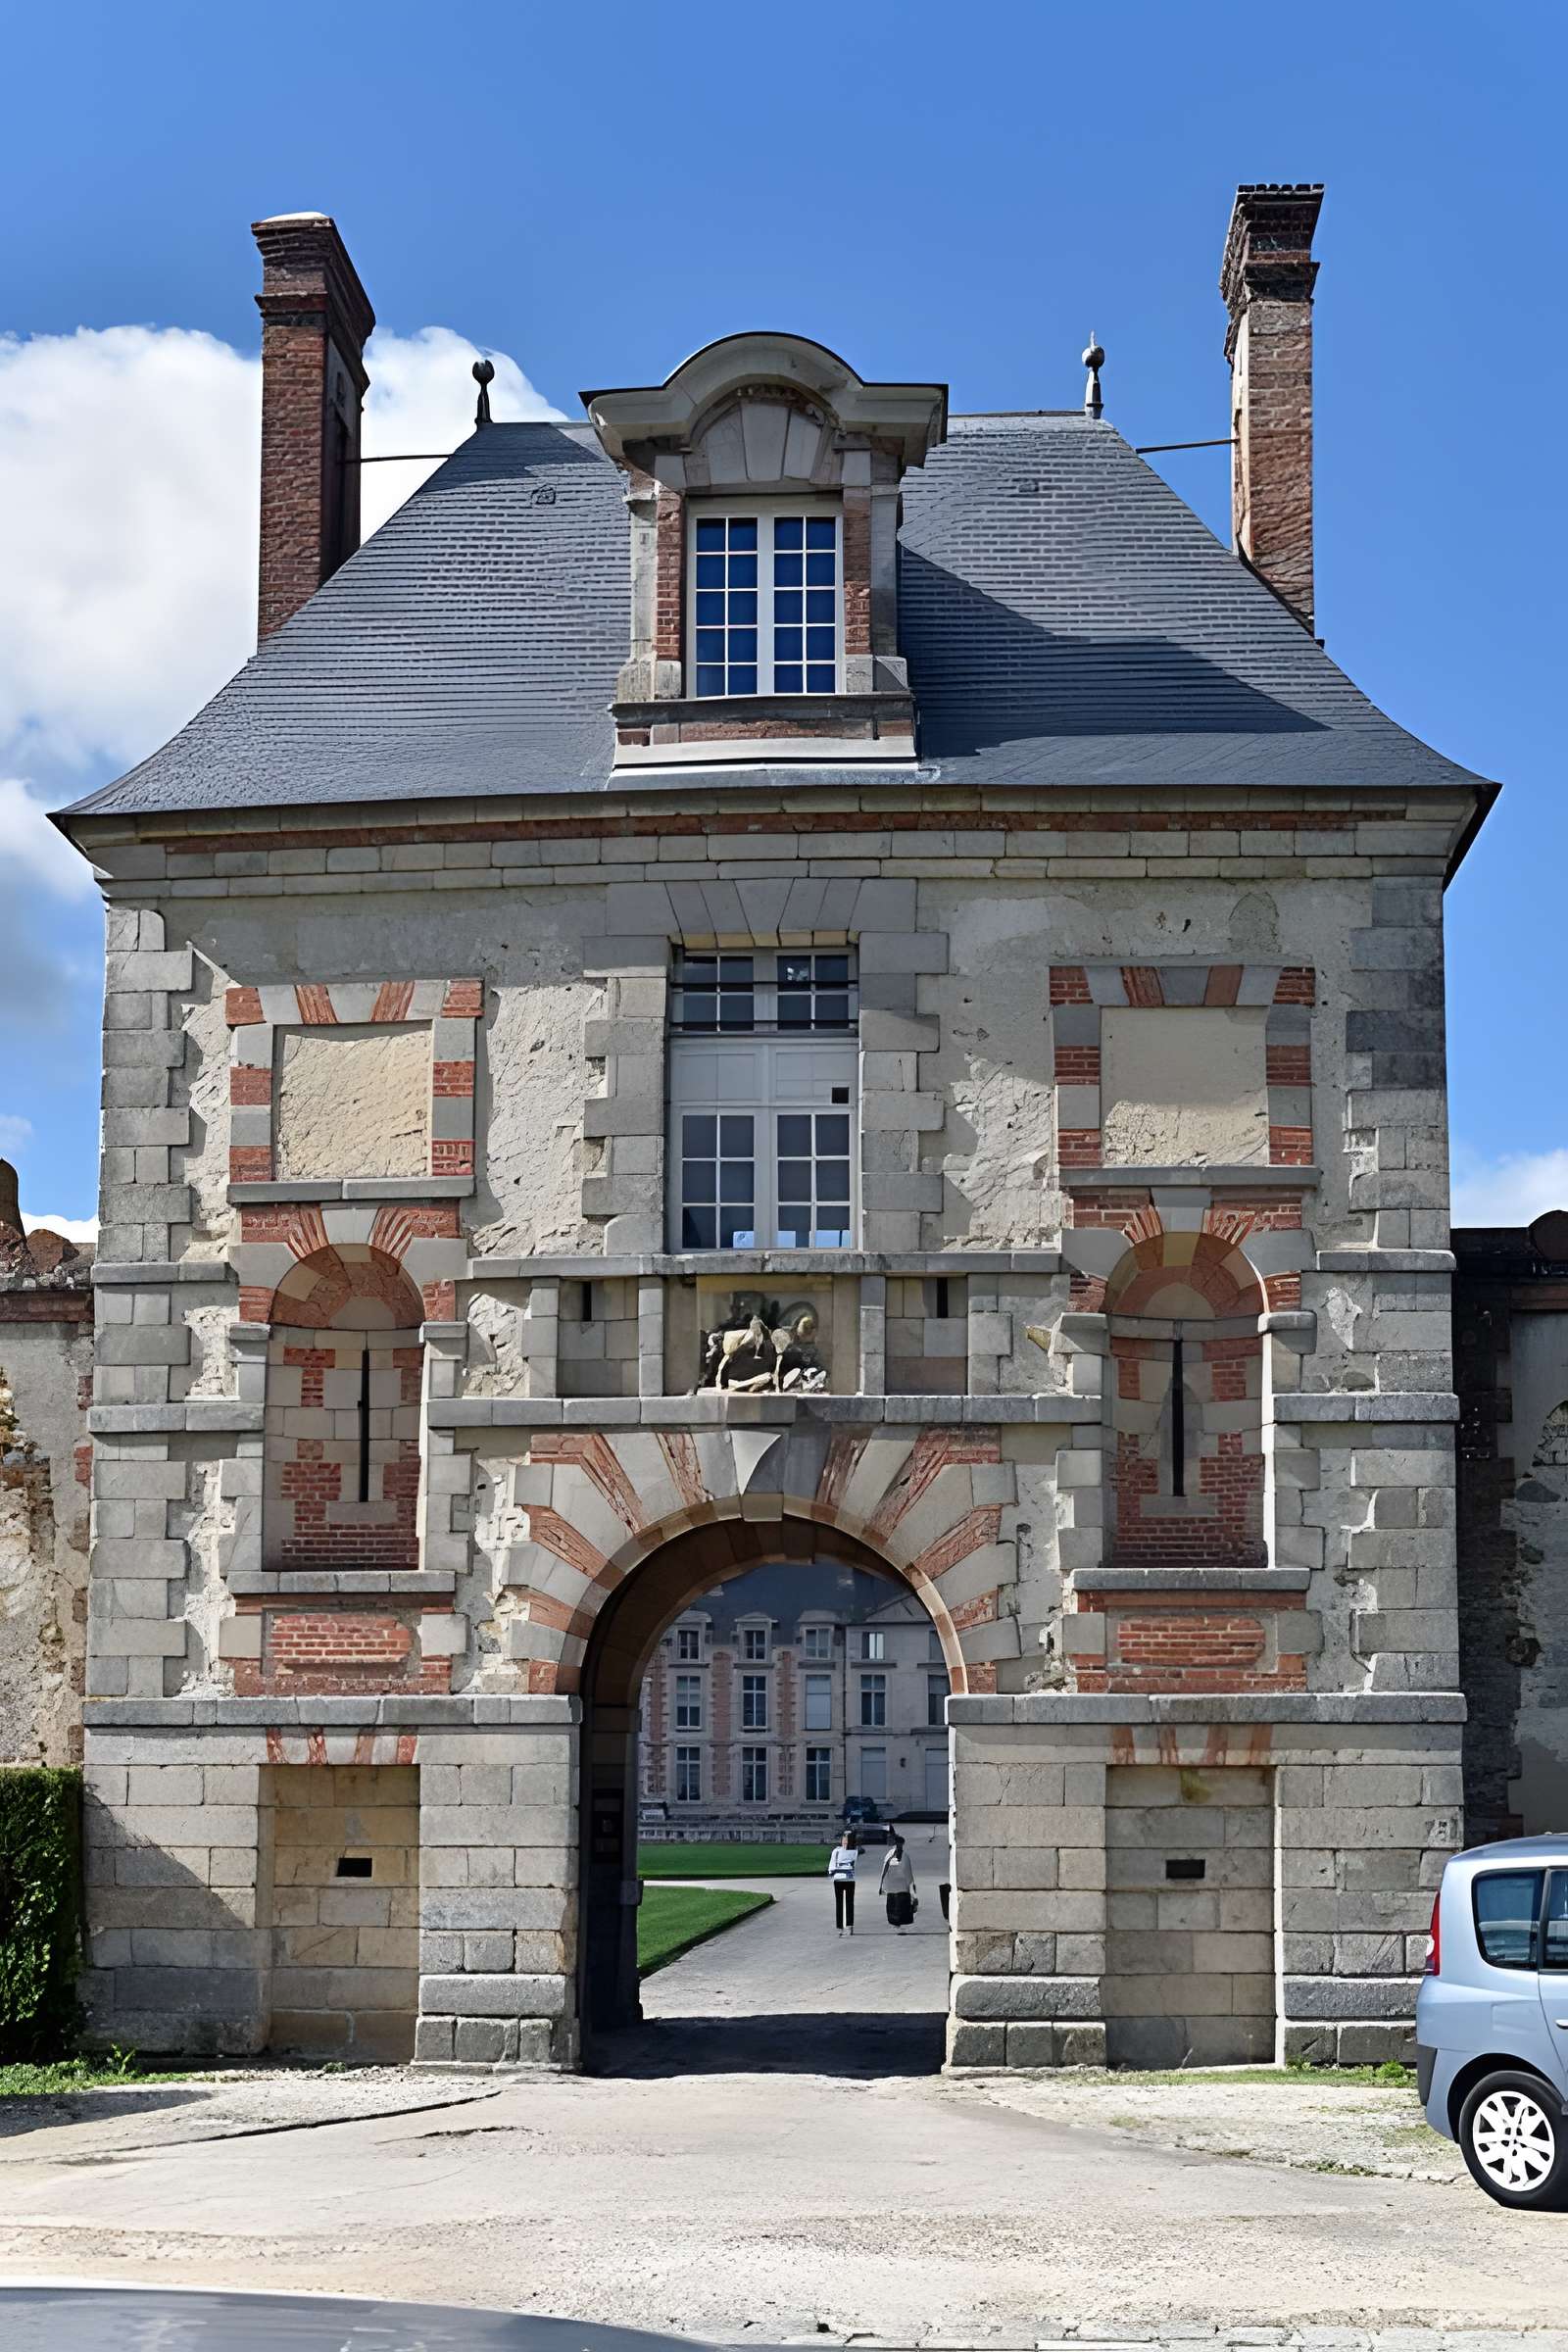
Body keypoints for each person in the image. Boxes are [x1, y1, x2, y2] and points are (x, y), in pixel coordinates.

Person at [880, 1831, 917, 1931]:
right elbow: (885, 1868)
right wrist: (882, 1884)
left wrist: (911, 1886)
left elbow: (908, 1872)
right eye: (897, 1844)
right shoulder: (890, 1854)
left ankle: (900, 1923)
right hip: (893, 1884)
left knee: (901, 1904)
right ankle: (896, 1923)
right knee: (894, 1904)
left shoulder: (905, 1856)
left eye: (900, 1844)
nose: (899, 1846)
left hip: (902, 1885)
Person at [827, 1828, 858, 1935]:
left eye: (847, 1839)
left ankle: (849, 1925)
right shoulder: (836, 1851)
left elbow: (854, 1865)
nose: (845, 1841)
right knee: (839, 1903)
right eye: (844, 1839)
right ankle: (840, 1927)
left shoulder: (854, 1851)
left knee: (850, 1902)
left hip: (849, 1879)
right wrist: (832, 1874)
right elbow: (832, 1864)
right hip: (838, 1879)